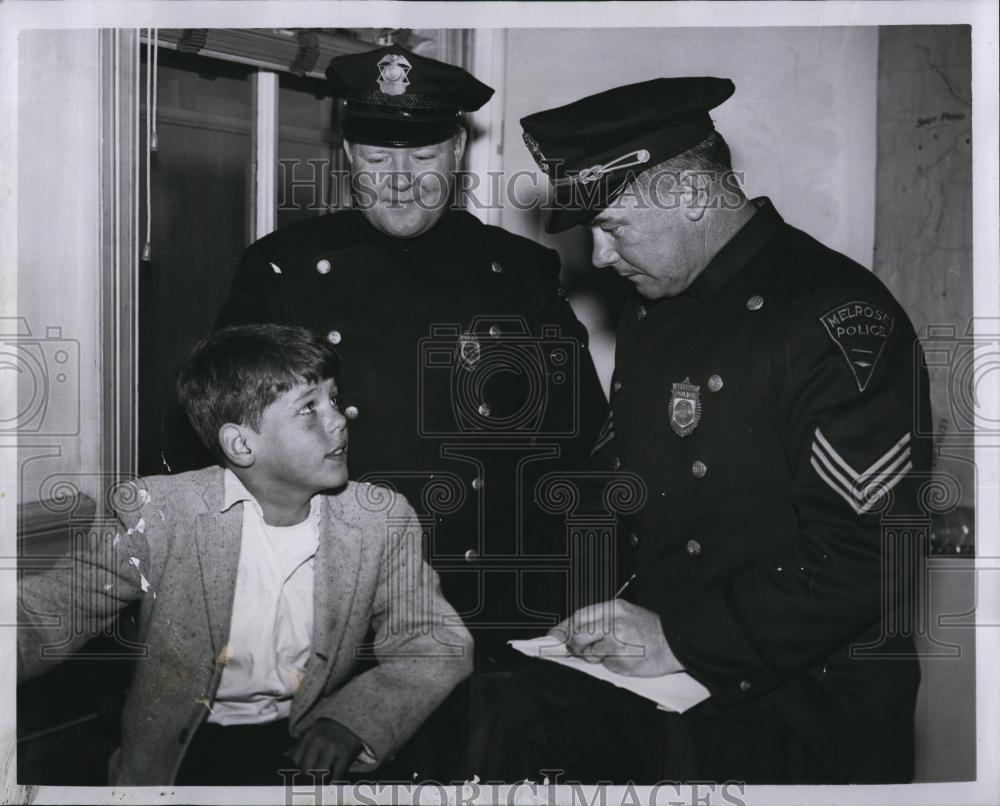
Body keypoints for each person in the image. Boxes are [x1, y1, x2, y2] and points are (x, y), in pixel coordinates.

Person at [474, 77, 932, 784]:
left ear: (689, 196)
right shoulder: (653, 308)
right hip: (677, 699)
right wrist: (596, 616)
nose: (597, 257)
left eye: (611, 226)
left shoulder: (837, 317)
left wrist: (682, 638)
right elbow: (642, 499)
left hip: (804, 717)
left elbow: (871, 554)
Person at [216, 45, 608, 778]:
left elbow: (581, 447)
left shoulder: (520, 273)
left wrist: (575, 610)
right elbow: (230, 455)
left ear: (458, 151)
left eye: (424, 155)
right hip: (331, 616)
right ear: (346, 154)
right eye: (374, 156)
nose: (399, 181)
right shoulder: (282, 270)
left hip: (493, 612)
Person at [18, 324, 471, 785]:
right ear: (241, 444)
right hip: (178, 761)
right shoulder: (161, 516)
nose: (338, 419)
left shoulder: (378, 520)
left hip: (304, 751)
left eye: (333, 399)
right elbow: (45, 611)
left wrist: (356, 719)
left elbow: (435, 642)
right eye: (308, 408)